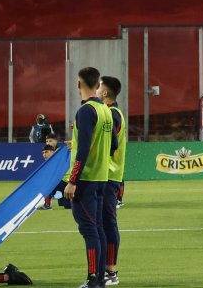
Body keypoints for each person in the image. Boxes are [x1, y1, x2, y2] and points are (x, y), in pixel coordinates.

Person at [63, 67, 118, 288]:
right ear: (98, 86)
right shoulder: (106, 110)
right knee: (99, 228)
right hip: (102, 178)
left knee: (89, 230)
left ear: (79, 85)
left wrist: (72, 180)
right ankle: (100, 280)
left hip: (85, 180)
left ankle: (93, 279)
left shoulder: (85, 111)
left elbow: (84, 149)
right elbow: (113, 144)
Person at [99, 75, 126, 286]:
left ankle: (111, 272)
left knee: (108, 223)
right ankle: (104, 271)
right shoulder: (110, 113)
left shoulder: (112, 114)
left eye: (99, 86)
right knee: (103, 223)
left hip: (108, 176)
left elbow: (110, 145)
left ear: (105, 93)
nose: (96, 89)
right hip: (105, 175)